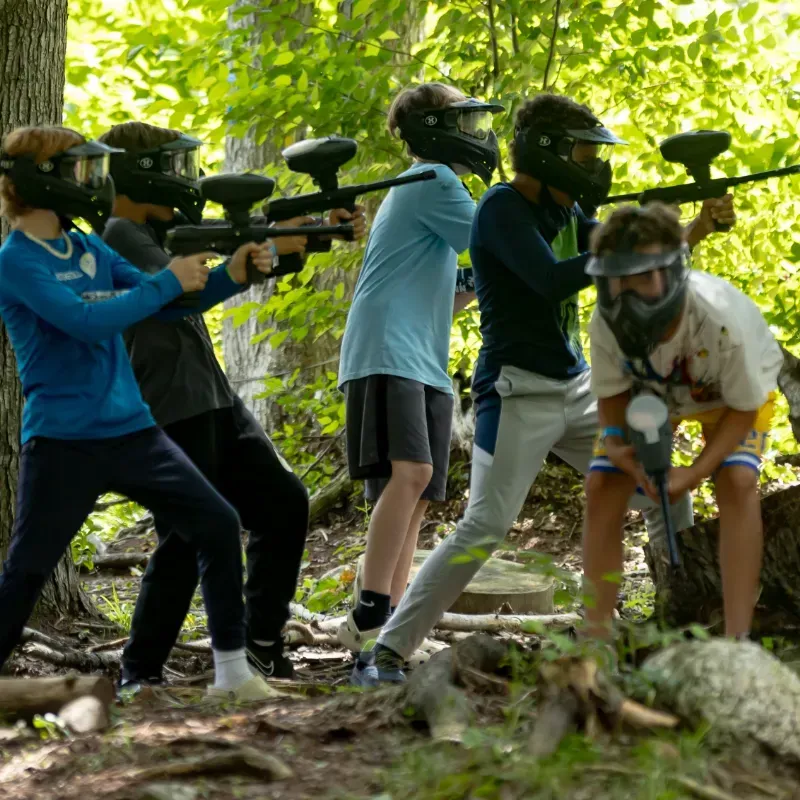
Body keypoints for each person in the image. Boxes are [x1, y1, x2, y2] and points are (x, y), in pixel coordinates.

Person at [358, 93, 736, 685]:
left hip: (576, 388)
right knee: (484, 525)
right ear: (551, 154)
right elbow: (551, 281)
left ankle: (682, 625)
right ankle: (387, 651)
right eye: (586, 153)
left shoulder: (568, 214)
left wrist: (694, 229)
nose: (595, 165)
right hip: (516, 392)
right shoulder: (502, 210)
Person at [0, 125, 280, 701]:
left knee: (218, 522)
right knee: (28, 571)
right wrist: (167, 280)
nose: (94, 184)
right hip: (64, 442)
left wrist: (235, 271)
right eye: (80, 171)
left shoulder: (86, 247)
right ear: (40, 180)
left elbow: (173, 297)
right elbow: (87, 321)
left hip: (133, 431)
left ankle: (232, 676)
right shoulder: (16, 262)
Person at [97, 121, 367, 688]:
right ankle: (139, 671)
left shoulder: (153, 230)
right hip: (169, 402)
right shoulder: (119, 232)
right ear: (139, 173)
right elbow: (174, 297)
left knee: (283, 503)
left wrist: (307, 233)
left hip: (210, 395)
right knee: (187, 533)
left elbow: (229, 245)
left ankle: (261, 646)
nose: (186, 180)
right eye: (173, 167)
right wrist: (262, 249)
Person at [336, 82, 504, 665]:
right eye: (462, 120)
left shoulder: (430, 186)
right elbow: (494, 241)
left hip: (420, 353)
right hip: (389, 349)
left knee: (418, 490)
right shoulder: (433, 179)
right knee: (410, 473)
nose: (474, 133)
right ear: (434, 129)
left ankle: (394, 618)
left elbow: (457, 283)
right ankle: (368, 615)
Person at [583, 202, 782, 639]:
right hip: (654, 396)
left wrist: (692, 473)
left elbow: (744, 407)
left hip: (731, 397)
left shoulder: (721, 322)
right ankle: (592, 639)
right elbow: (613, 394)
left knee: (737, 482)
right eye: (623, 277)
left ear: (675, 271)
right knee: (602, 485)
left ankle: (736, 641)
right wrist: (618, 447)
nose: (636, 289)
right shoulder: (605, 322)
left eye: (649, 275)